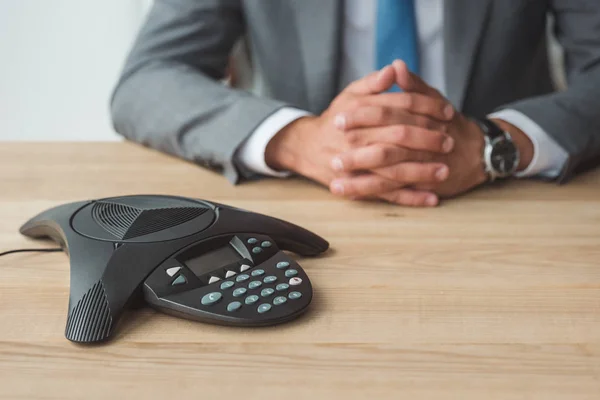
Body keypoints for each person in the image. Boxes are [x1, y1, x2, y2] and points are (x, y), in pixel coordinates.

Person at [111, 0, 600, 207]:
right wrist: (297, 140)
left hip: (515, 205)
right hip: (303, 213)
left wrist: (495, 145)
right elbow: (147, 79)